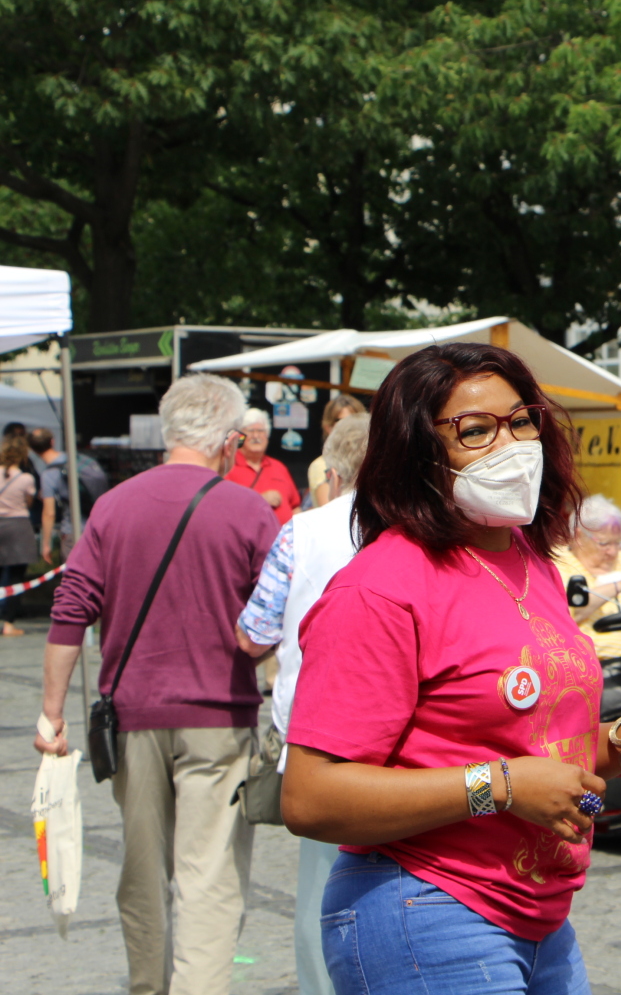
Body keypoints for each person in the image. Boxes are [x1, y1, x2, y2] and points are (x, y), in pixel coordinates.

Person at [278, 342, 621, 995]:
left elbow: (540, 753)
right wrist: (500, 786)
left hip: (540, 919)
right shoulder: (382, 586)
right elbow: (311, 797)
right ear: (417, 451)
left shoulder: (529, 560)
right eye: (476, 429)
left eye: (522, 421)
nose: (511, 444)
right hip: (425, 906)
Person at [33, 373, 280, 995]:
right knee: (209, 875)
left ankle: (149, 986)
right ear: (229, 442)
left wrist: (51, 713)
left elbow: (70, 610)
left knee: (143, 873)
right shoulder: (249, 510)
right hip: (219, 718)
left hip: (132, 715)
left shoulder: (114, 505)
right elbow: (278, 616)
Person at [234, 412, 370, 995]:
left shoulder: (302, 530)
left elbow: (253, 635)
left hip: (319, 733)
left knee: (322, 885)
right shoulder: (429, 529)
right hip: (411, 740)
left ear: (334, 475)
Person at [552, 494, 621, 660]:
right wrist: (620, 586)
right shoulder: (559, 564)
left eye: (618, 542)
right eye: (604, 543)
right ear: (578, 537)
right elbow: (572, 613)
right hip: (591, 665)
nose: (613, 551)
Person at [30, 426, 109, 563]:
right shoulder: (78, 459)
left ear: (32, 450)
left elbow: (49, 513)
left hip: (72, 531)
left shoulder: (48, 474)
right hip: (98, 527)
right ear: (52, 442)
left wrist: (46, 544)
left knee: (74, 579)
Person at [226, 407, 301, 524]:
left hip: (283, 539)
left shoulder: (279, 467)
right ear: (240, 437)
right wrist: (260, 499)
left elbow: (295, 507)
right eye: (250, 431)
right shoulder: (228, 466)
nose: (256, 436)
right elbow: (222, 507)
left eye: (261, 431)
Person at [0, 434, 35, 636]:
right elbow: (28, 503)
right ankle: (9, 623)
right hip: (18, 526)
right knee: (16, 578)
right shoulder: (26, 478)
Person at [306, 393, 366, 508]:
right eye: (342, 421)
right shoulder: (321, 465)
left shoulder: (373, 459)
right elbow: (328, 509)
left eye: (354, 420)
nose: (350, 427)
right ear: (328, 427)